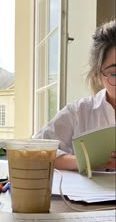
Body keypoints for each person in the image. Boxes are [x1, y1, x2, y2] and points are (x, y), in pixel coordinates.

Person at [33, 19, 116, 171]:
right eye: (114, 73)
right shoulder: (79, 112)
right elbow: (36, 149)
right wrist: (83, 160)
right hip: (87, 193)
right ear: (98, 74)